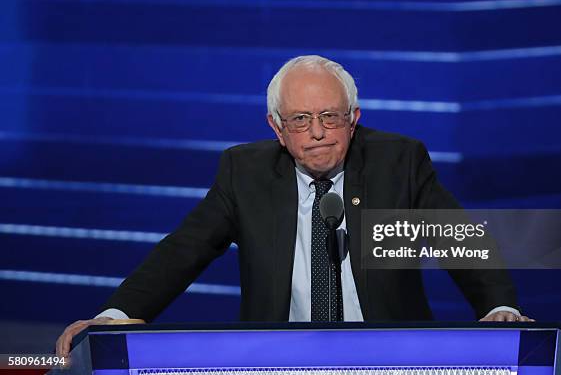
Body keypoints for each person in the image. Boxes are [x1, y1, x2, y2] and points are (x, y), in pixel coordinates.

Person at [56, 55, 533, 356]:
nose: (319, 131)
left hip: (391, 356)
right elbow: (184, 249)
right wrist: (117, 315)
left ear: (354, 119)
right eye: (301, 119)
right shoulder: (245, 172)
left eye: (330, 116)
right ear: (276, 128)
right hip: (277, 357)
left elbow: (459, 241)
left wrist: (499, 308)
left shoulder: (397, 161)